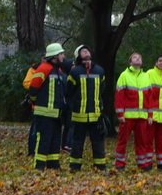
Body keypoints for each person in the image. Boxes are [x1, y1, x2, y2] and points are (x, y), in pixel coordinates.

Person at [65, 44, 107, 171]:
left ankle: (100, 166)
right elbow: (69, 92)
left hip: (95, 114)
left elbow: (102, 89)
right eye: (83, 51)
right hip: (79, 114)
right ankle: (74, 166)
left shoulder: (99, 71)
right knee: (77, 142)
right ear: (78, 56)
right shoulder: (75, 71)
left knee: (98, 142)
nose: (86, 52)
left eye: (87, 50)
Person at [29, 42, 68, 170]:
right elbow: (33, 89)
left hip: (57, 113)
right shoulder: (43, 69)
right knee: (44, 140)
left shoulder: (59, 71)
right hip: (44, 113)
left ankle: (53, 164)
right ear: (54, 56)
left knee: (55, 140)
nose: (63, 56)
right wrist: (35, 103)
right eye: (61, 54)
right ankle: (39, 166)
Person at [114, 52, 153, 171]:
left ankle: (142, 164)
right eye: (135, 57)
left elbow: (149, 98)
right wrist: (120, 114)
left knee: (142, 141)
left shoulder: (146, 76)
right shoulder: (124, 75)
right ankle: (119, 163)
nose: (138, 59)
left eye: (140, 57)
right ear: (130, 62)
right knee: (122, 141)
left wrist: (150, 115)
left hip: (142, 116)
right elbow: (119, 96)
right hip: (128, 116)